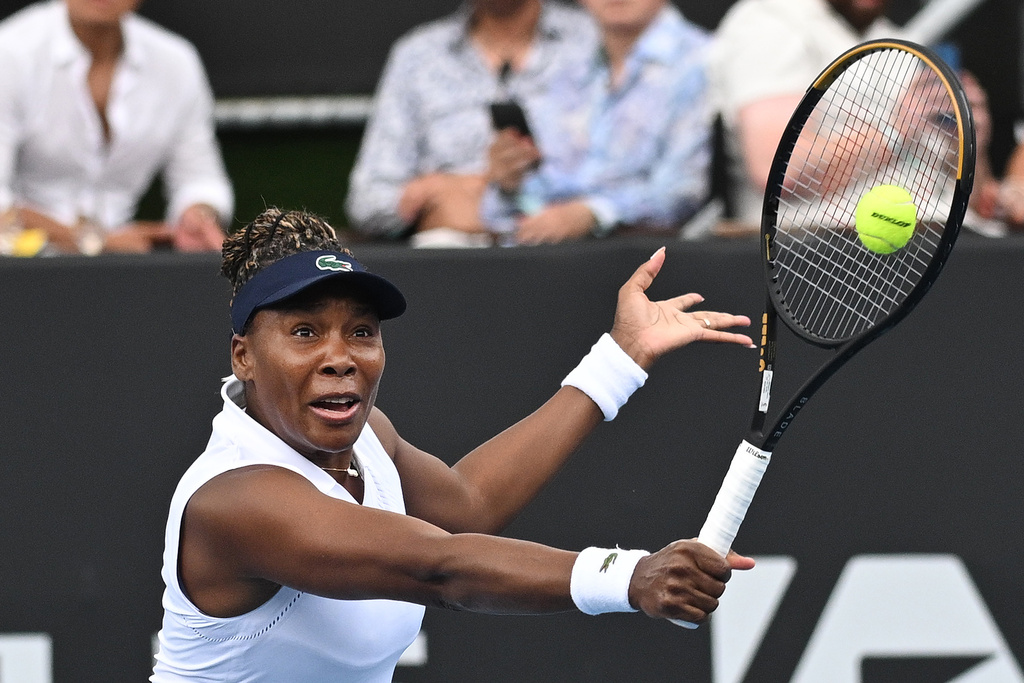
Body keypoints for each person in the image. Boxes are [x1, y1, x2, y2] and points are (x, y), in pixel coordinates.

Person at [151, 207, 757, 681]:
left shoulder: (370, 441)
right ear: (244, 356)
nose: (340, 358)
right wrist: (631, 576)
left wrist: (619, 361)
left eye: (361, 332)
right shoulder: (236, 499)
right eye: (304, 332)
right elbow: (440, 568)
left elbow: (468, 505)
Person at [345, 0, 597, 247]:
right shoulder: (419, 55)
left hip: (572, 249)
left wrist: (589, 212)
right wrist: (435, 190)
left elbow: (630, 176)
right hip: (451, 256)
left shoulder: (593, 38)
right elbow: (366, 202)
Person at [0, 0, 233, 255]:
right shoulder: (10, 52)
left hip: (130, 268)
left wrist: (197, 216)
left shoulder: (177, 61)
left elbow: (200, 179)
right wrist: (97, 243)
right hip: (17, 269)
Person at [481, 0, 712, 244]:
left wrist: (595, 213)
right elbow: (520, 202)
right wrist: (510, 184)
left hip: (649, 257)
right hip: (548, 255)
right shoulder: (570, 67)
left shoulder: (702, 60)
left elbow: (682, 192)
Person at [708, 0, 905, 233]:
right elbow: (777, 169)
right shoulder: (769, 21)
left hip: (937, 237)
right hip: (814, 251)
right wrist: (895, 131)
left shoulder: (898, 34)